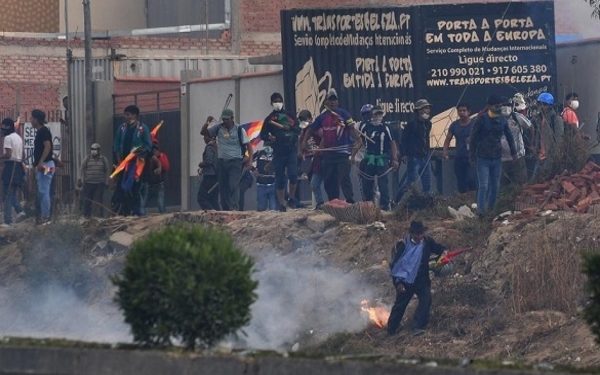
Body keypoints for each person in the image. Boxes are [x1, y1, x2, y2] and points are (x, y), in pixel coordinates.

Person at [301, 89, 362, 203]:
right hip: (328, 155)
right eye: (330, 100)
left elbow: (354, 134)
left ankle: (350, 200)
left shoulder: (344, 114)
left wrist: (354, 153)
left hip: (343, 154)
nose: (333, 102)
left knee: (344, 178)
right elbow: (310, 129)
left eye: (334, 100)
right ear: (326, 102)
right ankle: (333, 202)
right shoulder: (322, 117)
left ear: (338, 101)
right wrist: (304, 142)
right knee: (329, 180)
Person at [388, 221, 447, 336]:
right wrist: (398, 283)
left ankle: (417, 326)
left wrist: (444, 251)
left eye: (421, 234)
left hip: (422, 279)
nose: (420, 236)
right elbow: (395, 266)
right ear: (412, 233)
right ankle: (391, 329)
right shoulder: (403, 245)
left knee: (426, 300)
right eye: (417, 234)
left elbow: (438, 248)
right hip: (405, 281)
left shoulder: (427, 242)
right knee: (400, 305)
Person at [469, 95, 517, 216]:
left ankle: (490, 210)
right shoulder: (481, 119)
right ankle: (481, 212)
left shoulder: (502, 120)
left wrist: (514, 152)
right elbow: (473, 138)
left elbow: (509, 136)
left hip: (496, 157)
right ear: (490, 106)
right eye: (497, 105)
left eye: (501, 105)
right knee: (484, 185)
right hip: (483, 157)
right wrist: (472, 155)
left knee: (495, 186)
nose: (500, 107)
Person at [201, 109, 252, 211]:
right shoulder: (218, 128)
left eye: (227, 119)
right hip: (222, 162)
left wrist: (249, 160)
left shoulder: (239, 129)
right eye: (223, 119)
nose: (225, 121)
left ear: (232, 118)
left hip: (235, 161)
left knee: (233, 184)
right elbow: (204, 133)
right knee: (223, 186)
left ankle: (234, 207)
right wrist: (207, 122)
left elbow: (249, 147)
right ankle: (226, 208)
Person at [260, 92, 301, 211]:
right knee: (280, 178)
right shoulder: (269, 119)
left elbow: (298, 129)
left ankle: (292, 198)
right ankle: (282, 202)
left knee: (293, 175)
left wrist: (291, 130)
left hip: (291, 150)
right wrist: (269, 138)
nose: (277, 103)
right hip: (278, 151)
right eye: (275, 101)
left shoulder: (290, 115)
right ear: (271, 103)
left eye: (279, 100)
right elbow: (263, 134)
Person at [112, 105, 152, 215]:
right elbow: (116, 145)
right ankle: (124, 212)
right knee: (121, 188)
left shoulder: (143, 128)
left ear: (135, 115)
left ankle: (137, 212)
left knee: (135, 188)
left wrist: (139, 152)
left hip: (136, 164)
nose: (126, 117)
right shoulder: (122, 128)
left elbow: (148, 146)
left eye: (128, 114)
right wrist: (118, 158)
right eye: (125, 114)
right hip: (123, 163)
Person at [358, 105, 399, 210]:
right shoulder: (365, 126)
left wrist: (394, 159)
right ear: (372, 115)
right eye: (376, 114)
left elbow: (392, 143)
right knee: (366, 183)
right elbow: (359, 142)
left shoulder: (386, 128)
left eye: (380, 114)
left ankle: (385, 207)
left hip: (382, 158)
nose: (378, 116)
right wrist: (353, 156)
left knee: (383, 184)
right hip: (369, 158)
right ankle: (368, 207)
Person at [397, 99, 434, 202]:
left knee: (427, 182)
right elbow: (404, 140)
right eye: (424, 108)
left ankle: (427, 204)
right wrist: (403, 154)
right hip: (414, 157)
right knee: (411, 182)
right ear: (418, 111)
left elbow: (425, 139)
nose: (427, 111)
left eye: (428, 108)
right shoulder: (411, 125)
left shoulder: (428, 124)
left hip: (425, 156)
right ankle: (397, 200)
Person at [530, 92, 565, 181]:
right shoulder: (539, 119)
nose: (541, 107)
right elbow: (538, 135)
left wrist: (554, 155)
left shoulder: (556, 119)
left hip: (550, 156)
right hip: (540, 155)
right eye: (540, 104)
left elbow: (559, 139)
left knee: (545, 181)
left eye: (544, 104)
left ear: (550, 106)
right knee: (535, 182)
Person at [443, 103, 476, 193]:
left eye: (464, 110)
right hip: (459, 157)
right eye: (460, 111)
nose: (461, 112)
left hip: (472, 158)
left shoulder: (474, 124)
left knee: (472, 180)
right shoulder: (454, 125)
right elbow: (447, 139)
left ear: (469, 112)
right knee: (461, 182)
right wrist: (445, 152)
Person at [500, 94, 532, 187]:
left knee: (522, 183)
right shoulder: (495, 119)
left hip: (518, 157)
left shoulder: (517, 117)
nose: (506, 108)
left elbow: (530, 127)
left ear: (511, 106)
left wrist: (531, 143)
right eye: (503, 105)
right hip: (501, 159)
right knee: (503, 185)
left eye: (508, 105)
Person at [298, 110, 325, 209]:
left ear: (310, 119)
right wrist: (301, 152)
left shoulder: (315, 128)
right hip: (310, 162)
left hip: (320, 159)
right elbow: (300, 145)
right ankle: (320, 204)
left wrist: (319, 149)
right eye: (301, 120)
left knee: (314, 183)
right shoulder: (303, 131)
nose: (303, 122)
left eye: (305, 119)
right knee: (312, 183)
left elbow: (324, 137)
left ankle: (320, 203)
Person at [31, 110, 54, 225]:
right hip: (45, 165)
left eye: (32, 118)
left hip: (45, 165)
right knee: (42, 191)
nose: (30, 120)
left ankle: (46, 217)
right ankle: (43, 216)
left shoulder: (43, 131)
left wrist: (40, 162)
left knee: (44, 191)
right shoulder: (41, 131)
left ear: (36, 119)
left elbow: (48, 146)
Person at [0, 118, 25, 227]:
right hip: (18, 166)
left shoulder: (8, 138)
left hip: (11, 166)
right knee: (13, 193)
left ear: (7, 127)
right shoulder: (18, 137)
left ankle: (8, 220)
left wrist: (0, 157)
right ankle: (20, 211)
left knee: (7, 194)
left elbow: (8, 154)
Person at [78, 143, 110, 218]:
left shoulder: (103, 159)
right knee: (87, 200)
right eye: (92, 149)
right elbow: (81, 168)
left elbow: (107, 171)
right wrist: (80, 179)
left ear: (99, 150)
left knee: (98, 200)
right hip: (88, 183)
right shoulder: (87, 158)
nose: (93, 151)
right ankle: (87, 216)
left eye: (95, 149)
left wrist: (107, 182)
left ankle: (99, 217)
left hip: (99, 183)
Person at [140, 143, 166, 214]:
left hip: (157, 183)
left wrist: (159, 169)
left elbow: (159, 164)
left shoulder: (152, 157)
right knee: (145, 201)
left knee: (159, 202)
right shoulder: (147, 157)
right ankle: (143, 213)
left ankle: (162, 215)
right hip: (150, 182)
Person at [197, 131, 220, 210]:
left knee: (201, 198)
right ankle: (219, 215)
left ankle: (211, 213)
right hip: (216, 176)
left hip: (209, 176)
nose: (204, 139)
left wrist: (201, 164)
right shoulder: (216, 147)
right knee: (213, 200)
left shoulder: (209, 147)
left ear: (208, 137)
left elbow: (209, 161)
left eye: (205, 137)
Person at [253, 146, 277, 211]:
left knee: (274, 209)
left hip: (274, 184)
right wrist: (253, 170)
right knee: (261, 209)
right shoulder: (259, 153)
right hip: (261, 184)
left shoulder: (276, 153)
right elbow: (250, 160)